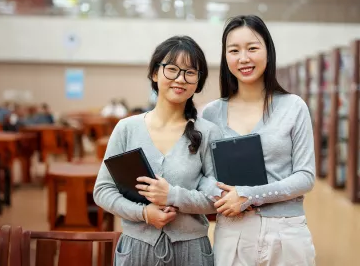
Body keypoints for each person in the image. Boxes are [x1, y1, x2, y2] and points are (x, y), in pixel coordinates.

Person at [93, 35, 223, 266]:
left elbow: (218, 198)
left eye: (190, 72)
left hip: (191, 250)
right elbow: (103, 190)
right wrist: (144, 214)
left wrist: (173, 196)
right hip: (136, 248)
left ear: (198, 82)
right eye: (172, 69)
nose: (180, 79)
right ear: (155, 74)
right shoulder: (127, 129)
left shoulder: (208, 132)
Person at [202, 15, 316, 265]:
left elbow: (305, 176)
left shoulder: (293, 107)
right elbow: (202, 176)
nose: (243, 58)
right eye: (234, 50)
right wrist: (222, 196)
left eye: (252, 48)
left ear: (268, 51)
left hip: (286, 231)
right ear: (225, 57)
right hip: (232, 231)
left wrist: (249, 196)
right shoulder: (209, 113)